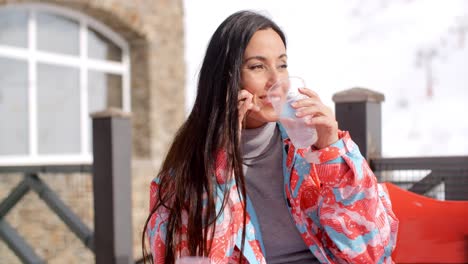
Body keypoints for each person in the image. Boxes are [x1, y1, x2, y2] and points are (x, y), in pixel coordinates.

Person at [142, 10, 398, 264]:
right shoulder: (187, 175)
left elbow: (368, 253)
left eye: (282, 65)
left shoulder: (310, 148)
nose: (276, 80)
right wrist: (222, 162)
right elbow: (197, 259)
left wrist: (333, 152)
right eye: (257, 66)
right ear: (226, 78)